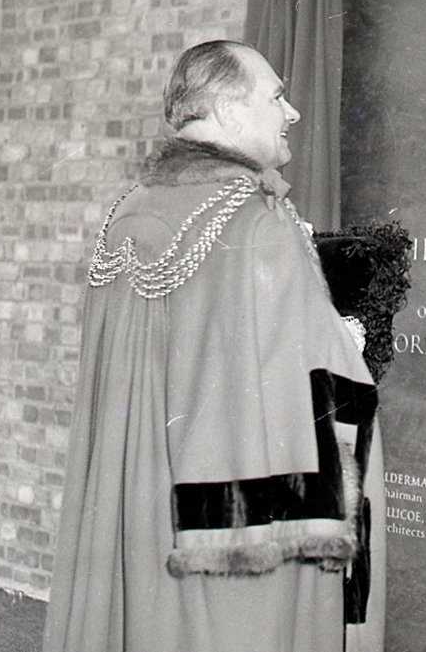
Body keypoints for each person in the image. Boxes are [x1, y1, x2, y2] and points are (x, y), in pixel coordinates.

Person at [43, 40, 384, 652]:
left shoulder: (127, 212)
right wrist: (354, 337)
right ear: (228, 112)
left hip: (131, 510)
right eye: (277, 96)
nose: (293, 112)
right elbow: (311, 385)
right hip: (222, 535)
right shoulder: (256, 219)